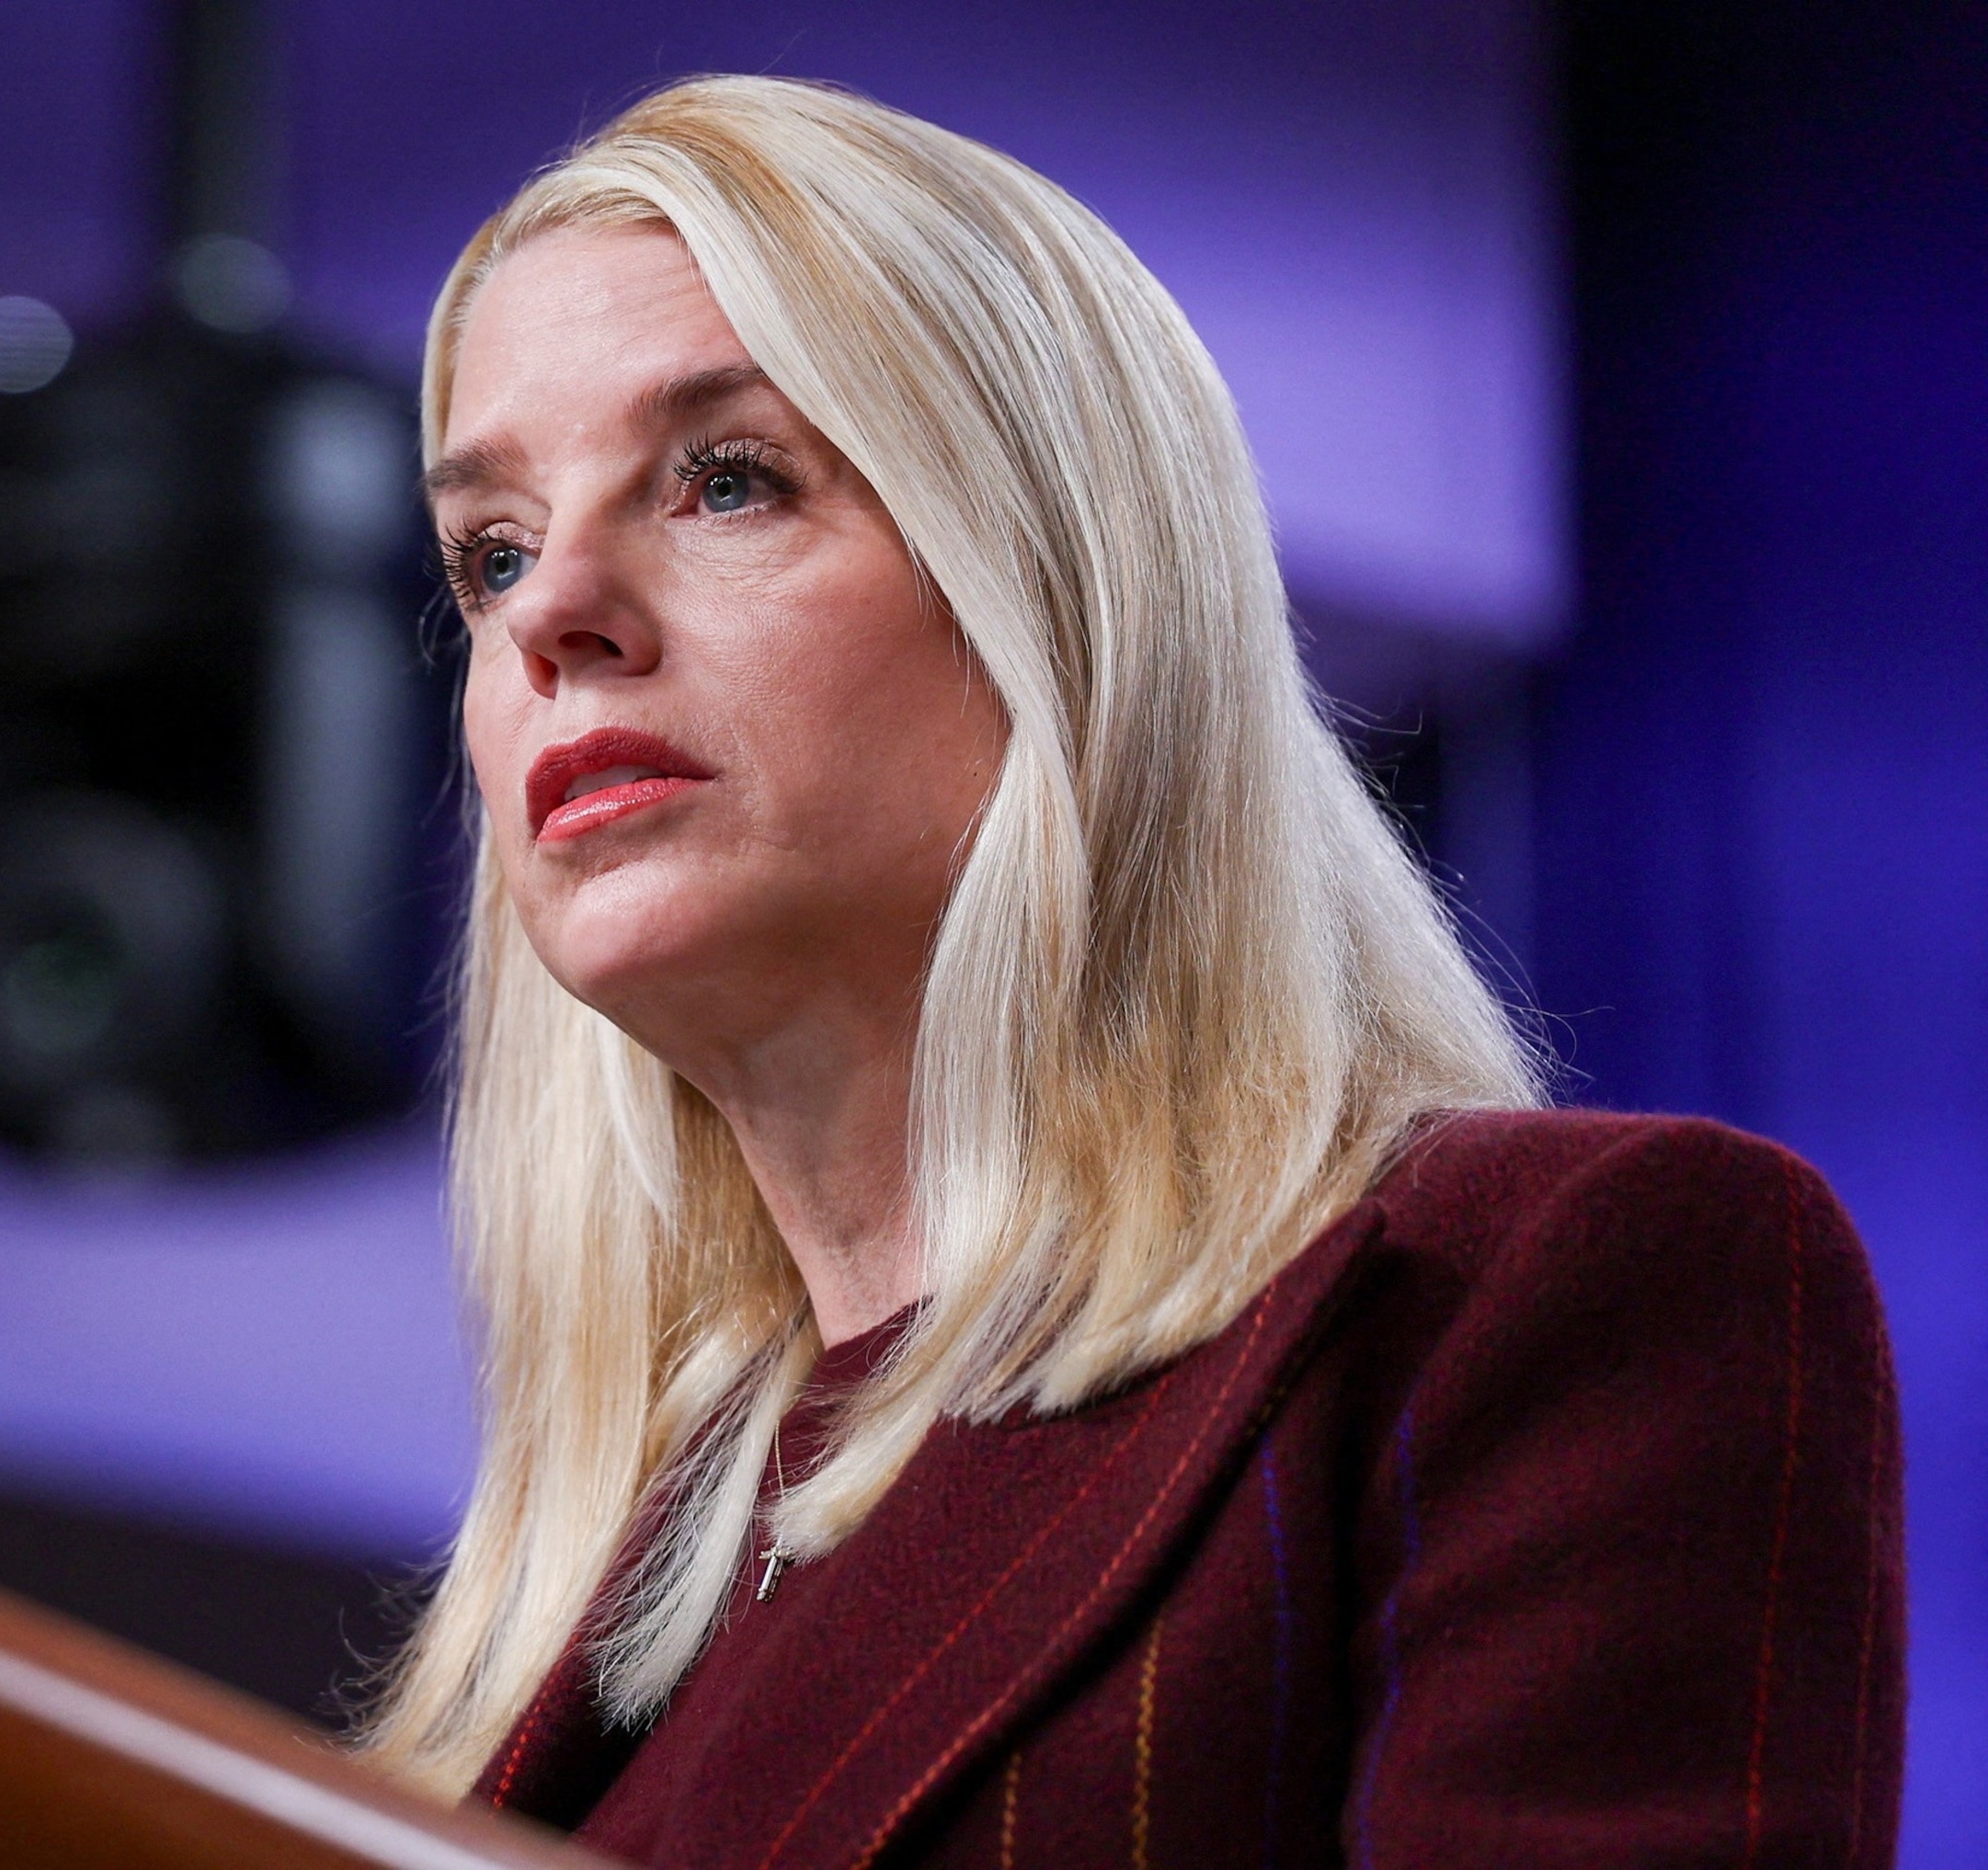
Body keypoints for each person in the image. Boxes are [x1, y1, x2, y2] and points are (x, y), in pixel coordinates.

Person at [360, 75, 1903, 1868]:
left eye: (726, 477)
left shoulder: (1545, 1293)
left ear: (1066, 595)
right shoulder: (621, 1603)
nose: (552, 613)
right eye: (492, 550)